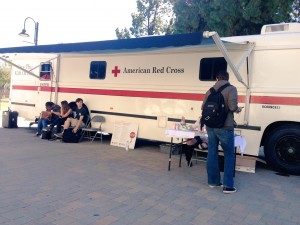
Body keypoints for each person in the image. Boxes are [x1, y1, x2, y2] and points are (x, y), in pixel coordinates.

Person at [202, 70, 243, 194]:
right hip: (225, 127)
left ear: (216, 78)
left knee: (212, 152)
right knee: (229, 155)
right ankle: (227, 186)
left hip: (210, 126)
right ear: (227, 78)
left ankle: (213, 182)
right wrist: (238, 109)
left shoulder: (209, 91)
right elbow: (232, 107)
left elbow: (203, 107)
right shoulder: (231, 89)